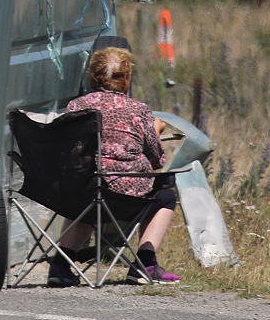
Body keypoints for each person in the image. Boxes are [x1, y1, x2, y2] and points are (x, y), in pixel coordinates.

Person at [47, 46, 180, 286]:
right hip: (124, 198)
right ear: (126, 78)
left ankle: (60, 265)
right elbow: (158, 161)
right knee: (165, 194)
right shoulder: (138, 111)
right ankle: (145, 263)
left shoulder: (75, 107)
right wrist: (156, 131)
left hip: (81, 193)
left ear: (93, 76)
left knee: (90, 193)